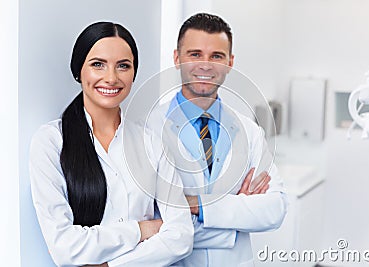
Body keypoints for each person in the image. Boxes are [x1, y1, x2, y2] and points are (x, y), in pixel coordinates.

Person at [29, 21, 193, 267]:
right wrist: (140, 229)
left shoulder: (151, 142)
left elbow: (181, 237)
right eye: (98, 64)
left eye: (123, 66)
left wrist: (109, 266)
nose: (111, 78)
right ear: (78, 70)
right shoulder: (51, 141)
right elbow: (63, 247)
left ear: (134, 73)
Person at [146, 13, 288, 266]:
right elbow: (149, 223)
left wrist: (194, 205)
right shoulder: (148, 129)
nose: (205, 65)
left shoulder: (249, 131)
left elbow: (274, 210)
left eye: (217, 56)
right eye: (195, 54)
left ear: (230, 62)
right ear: (177, 59)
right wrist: (237, 215)